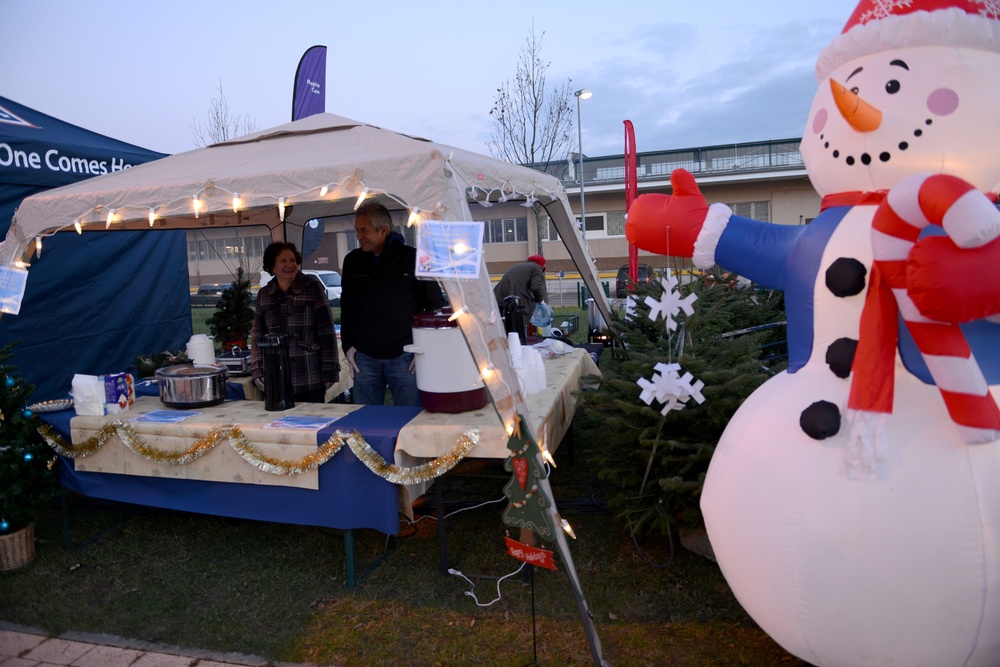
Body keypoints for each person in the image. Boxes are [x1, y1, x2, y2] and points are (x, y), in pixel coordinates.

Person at [340, 200, 446, 406]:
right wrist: (348, 346)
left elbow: (435, 306)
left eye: (364, 230)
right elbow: (347, 307)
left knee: (410, 422)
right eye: (357, 230)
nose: (359, 236)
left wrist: (427, 349)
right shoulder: (352, 261)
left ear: (383, 230)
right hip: (364, 358)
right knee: (365, 425)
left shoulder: (415, 257)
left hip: (406, 357)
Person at [250, 242, 339, 403]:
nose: (289, 265)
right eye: (283, 261)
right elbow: (258, 335)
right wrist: (257, 369)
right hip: (276, 379)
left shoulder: (313, 288)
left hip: (309, 377)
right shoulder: (264, 294)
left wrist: (330, 369)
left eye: (292, 260)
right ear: (272, 267)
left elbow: (327, 331)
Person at [494, 254, 548, 323]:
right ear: (542, 266)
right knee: (518, 328)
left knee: (504, 328)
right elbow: (536, 287)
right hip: (514, 304)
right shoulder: (537, 268)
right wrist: (540, 300)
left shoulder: (519, 266)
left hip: (499, 299)